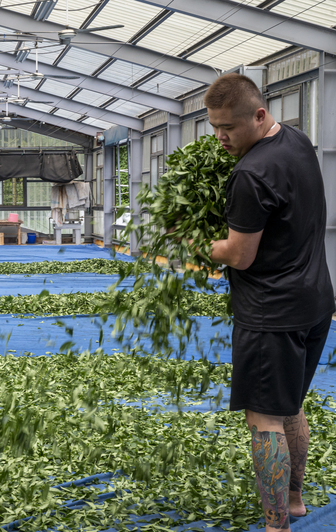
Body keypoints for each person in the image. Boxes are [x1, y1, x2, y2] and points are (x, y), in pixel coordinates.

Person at [204, 73, 334, 531]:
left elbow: (239, 254)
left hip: (270, 314)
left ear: (259, 116)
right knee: (291, 406)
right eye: (214, 128)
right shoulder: (297, 141)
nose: (221, 138)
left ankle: (275, 525)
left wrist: (202, 244)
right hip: (315, 302)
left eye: (229, 129)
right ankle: (294, 501)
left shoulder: (249, 174)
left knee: (264, 420)